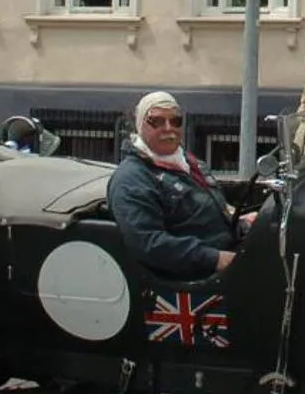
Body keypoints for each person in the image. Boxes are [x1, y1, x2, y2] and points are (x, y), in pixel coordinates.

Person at [108, 91, 255, 279]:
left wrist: (242, 221)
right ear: (140, 126)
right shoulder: (131, 179)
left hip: (229, 249)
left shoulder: (188, 163)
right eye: (157, 121)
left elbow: (205, 208)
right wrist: (215, 258)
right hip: (197, 274)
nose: (168, 128)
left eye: (175, 120)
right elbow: (148, 243)